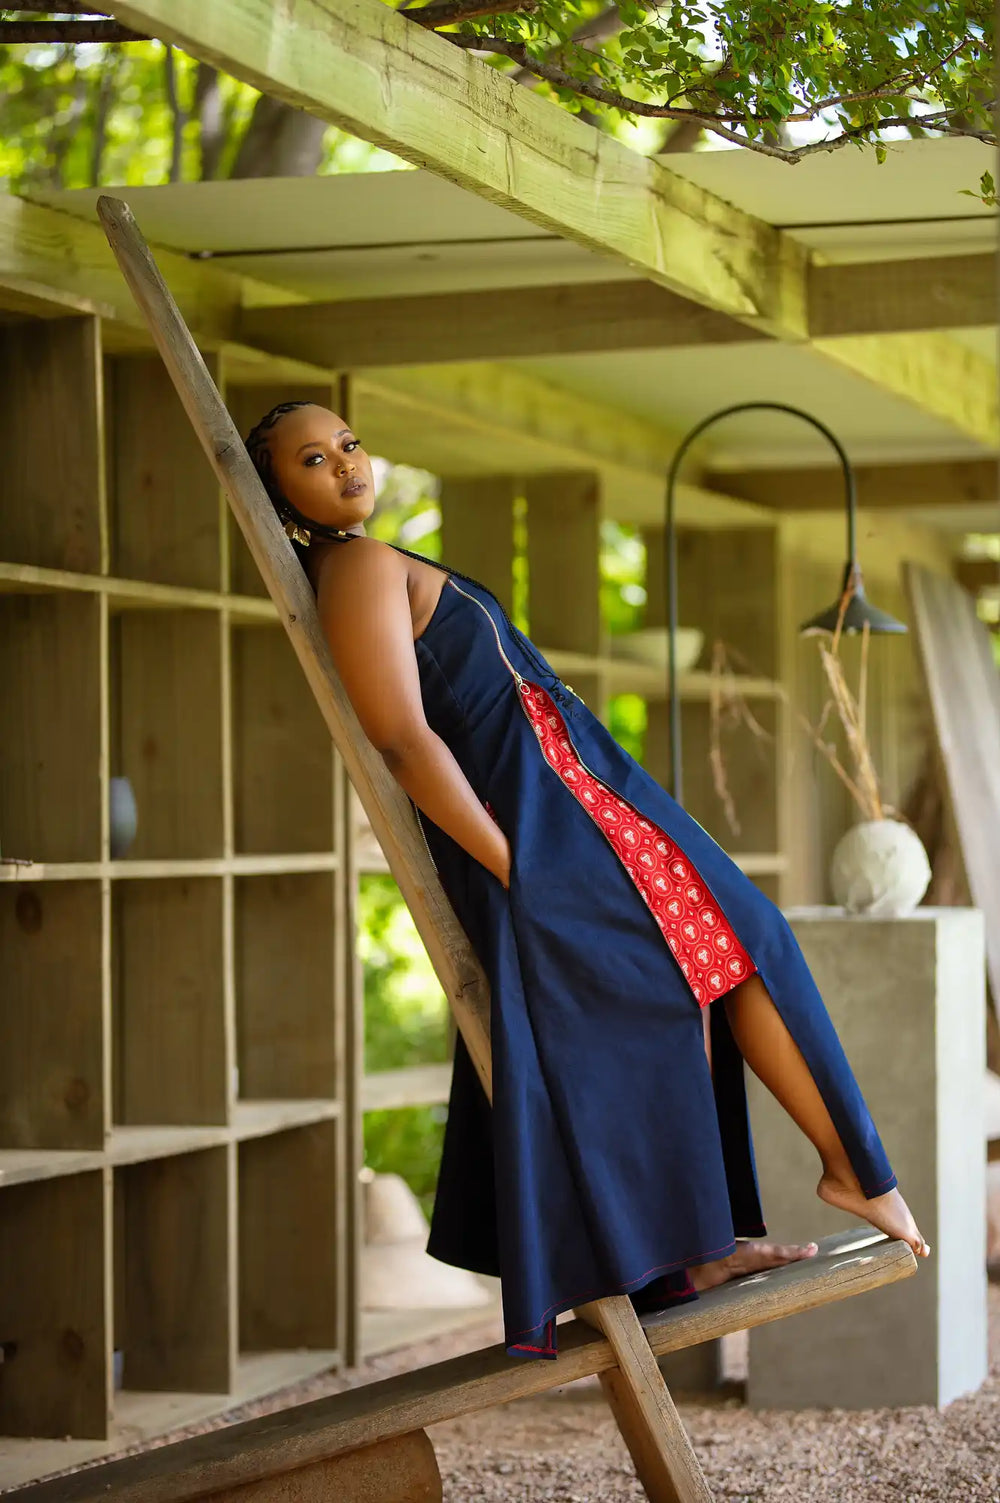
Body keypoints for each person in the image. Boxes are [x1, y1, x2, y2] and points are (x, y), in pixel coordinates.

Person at [245, 399, 929, 1361]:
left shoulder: (376, 555)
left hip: (585, 803)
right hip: (543, 824)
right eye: (312, 459)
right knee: (706, 966)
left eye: (348, 443)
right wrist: (512, 862)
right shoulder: (357, 566)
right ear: (282, 493)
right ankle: (819, 1183)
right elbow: (402, 738)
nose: (345, 464)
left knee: (727, 954)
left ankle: (717, 1236)